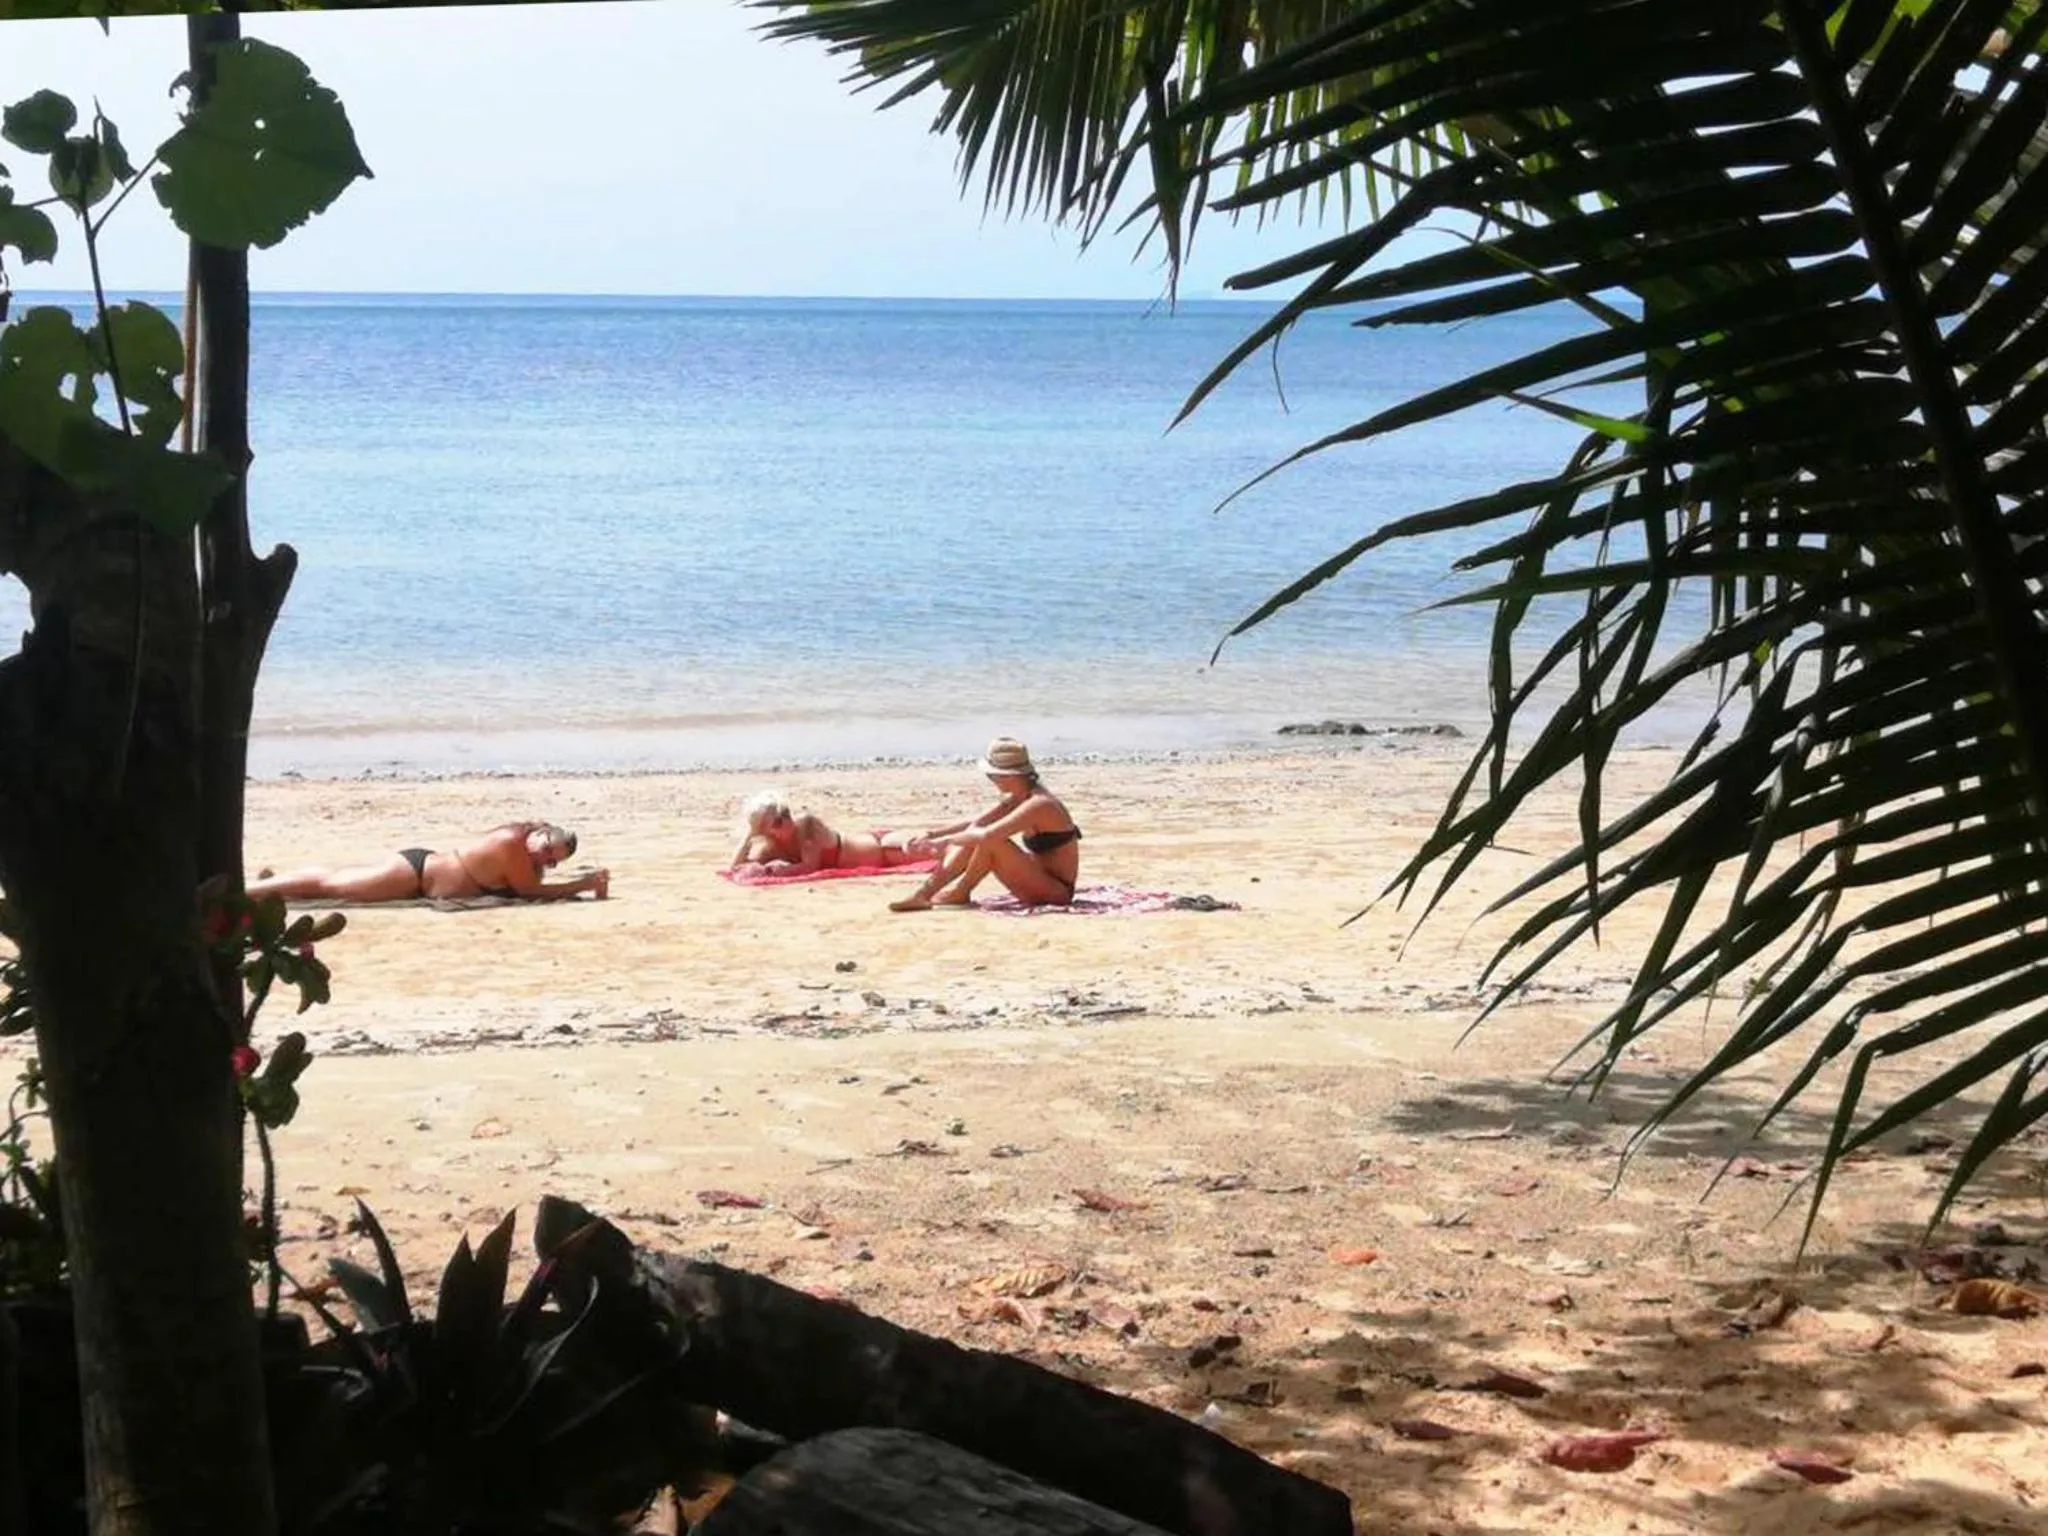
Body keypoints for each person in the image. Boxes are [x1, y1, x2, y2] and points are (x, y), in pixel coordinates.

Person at [889, 737, 1081, 912]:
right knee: (977, 835)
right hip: (1037, 879)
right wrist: (931, 835)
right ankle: (923, 894)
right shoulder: (1019, 797)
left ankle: (959, 892)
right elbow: (977, 823)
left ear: (1007, 776)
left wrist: (943, 843)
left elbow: (988, 834)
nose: (992, 781)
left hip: (1056, 892)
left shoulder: (1040, 804)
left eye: (992, 776)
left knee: (990, 840)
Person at [246, 821, 609, 904]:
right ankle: (253, 889)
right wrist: (583, 884)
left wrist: (585, 883)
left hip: (420, 875)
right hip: (416, 874)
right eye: (546, 847)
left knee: (336, 881)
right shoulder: (510, 844)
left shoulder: (524, 852)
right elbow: (529, 891)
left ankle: (274, 884)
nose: (543, 857)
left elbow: (535, 886)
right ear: (541, 830)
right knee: (332, 886)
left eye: (551, 860)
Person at [729, 790, 934, 877]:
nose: (787, 819)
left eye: (786, 812)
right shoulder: (771, 847)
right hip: (878, 855)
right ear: (766, 831)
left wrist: (774, 871)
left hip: (880, 848)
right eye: (778, 821)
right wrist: (750, 835)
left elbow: (810, 866)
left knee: (930, 848)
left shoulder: (807, 826)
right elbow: (735, 868)